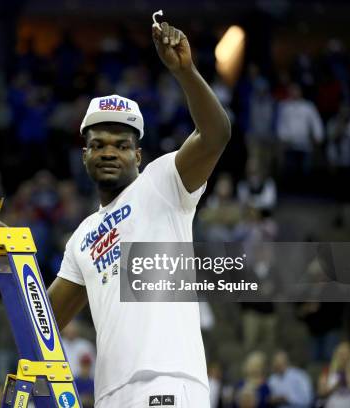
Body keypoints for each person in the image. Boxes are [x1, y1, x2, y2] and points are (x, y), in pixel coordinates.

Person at [48, 19, 230, 407]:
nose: (109, 152)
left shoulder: (162, 182)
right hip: (110, 394)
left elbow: (215, 134)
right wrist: (8, 264)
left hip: (167, 381)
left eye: (121, 144)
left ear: (139, 154)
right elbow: (42, 324)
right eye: (98, 145)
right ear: (85, 157)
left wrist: (185, 72)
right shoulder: (82, 235)